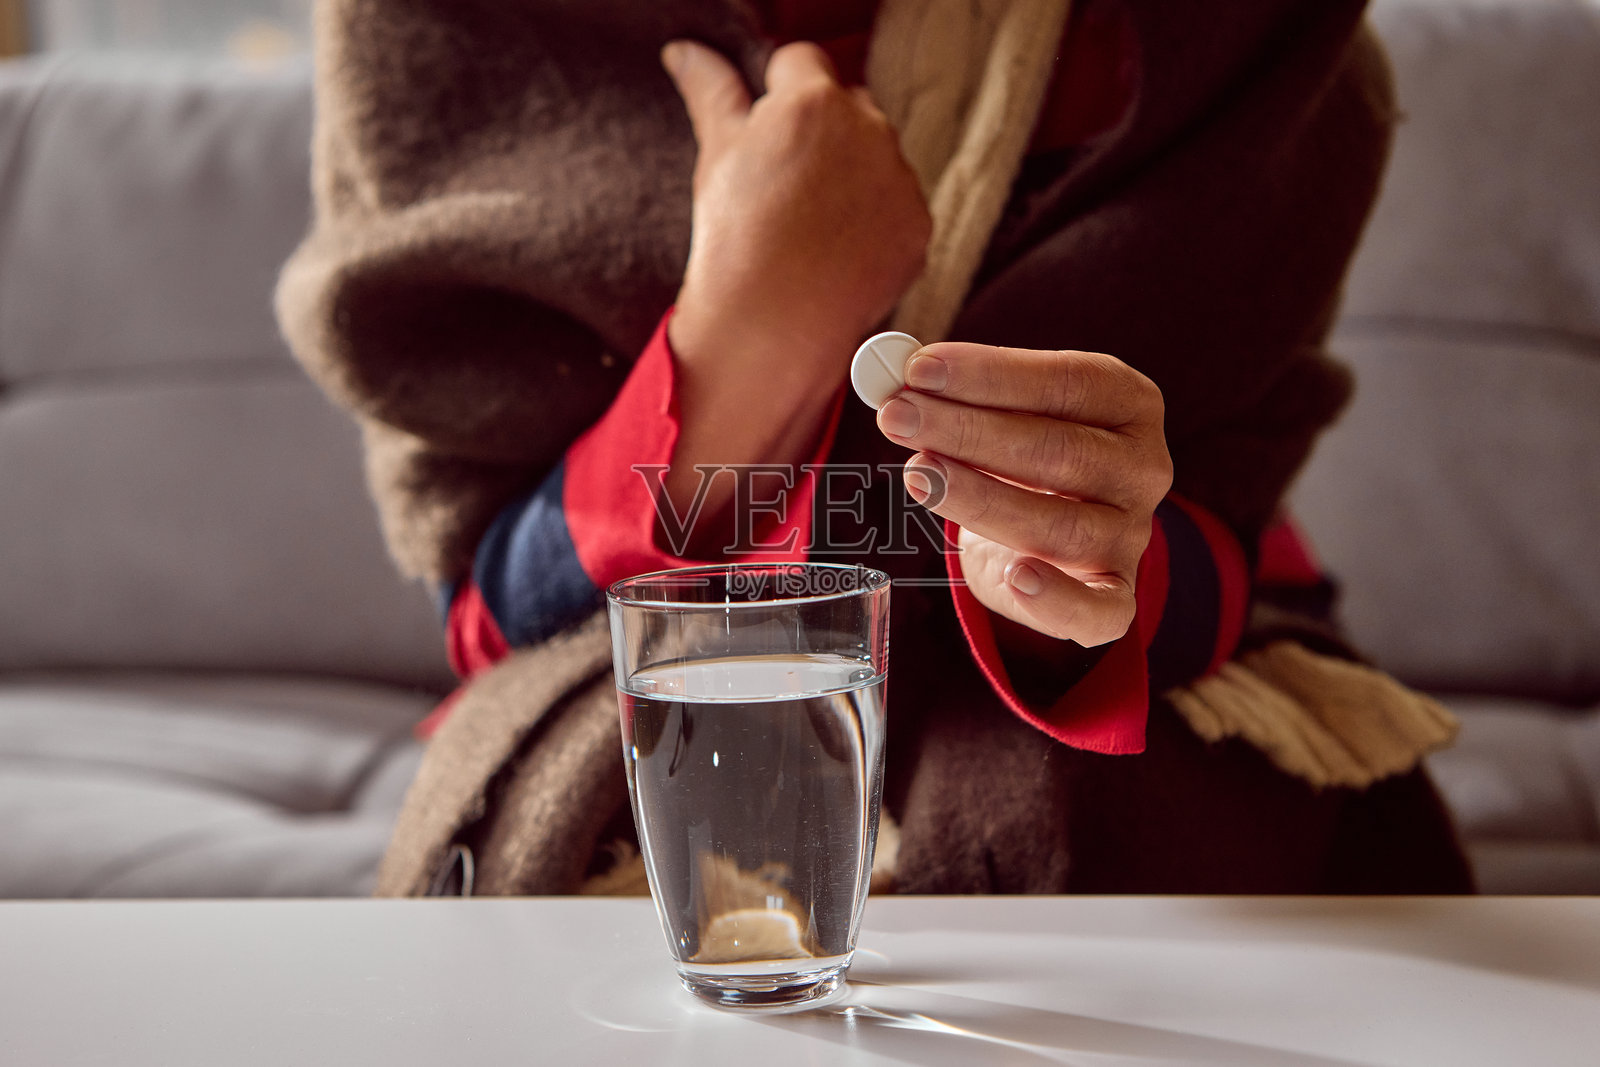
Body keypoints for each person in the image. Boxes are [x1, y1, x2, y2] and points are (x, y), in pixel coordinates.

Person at [278, 0, 1474, 895]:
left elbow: (1224, 532)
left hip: (1120, 735)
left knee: (1121, 817)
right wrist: (745, 341)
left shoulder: (1240, 41)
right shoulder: (447, 27)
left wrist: (1070, 574)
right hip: (647, 707)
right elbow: (491, 612)